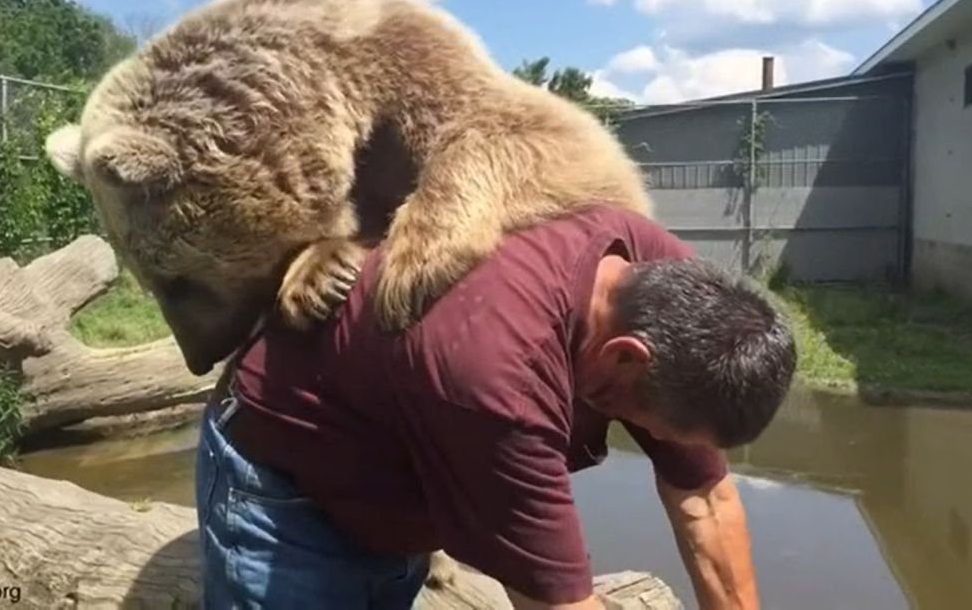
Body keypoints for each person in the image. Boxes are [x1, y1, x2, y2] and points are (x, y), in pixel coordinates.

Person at [193, 204, 797, 609]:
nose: (644, 436)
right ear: (624, 359)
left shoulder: (670, 287)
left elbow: (707, 499)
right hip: (286, 488)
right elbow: (552, 599)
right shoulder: (495, 374)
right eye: (644, 424)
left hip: (398, 474)